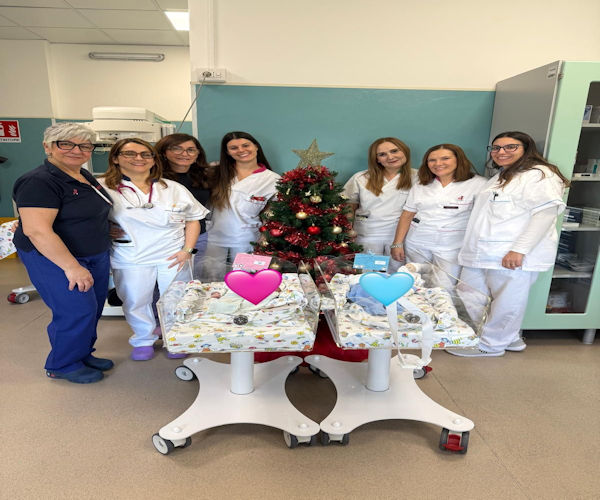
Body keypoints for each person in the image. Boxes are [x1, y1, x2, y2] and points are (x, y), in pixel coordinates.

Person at [448, 131, 569, 357]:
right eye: (496, 148)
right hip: (482, 250)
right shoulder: (501, 176)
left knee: (508, 300)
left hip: (510, 253)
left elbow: (544, 215)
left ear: (526, 149)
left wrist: (519, 250)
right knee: (468, 292)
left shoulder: (539, 175)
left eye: (510, 147)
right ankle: (508, 338)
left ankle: (491, 345)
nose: (501, 152)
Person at [12, 122, 113, 384]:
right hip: (55, 257)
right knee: (76, 310)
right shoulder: (38, 181)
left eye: (84, 145)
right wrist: (72, 267)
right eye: (66, 144)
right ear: (48, 147)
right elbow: (37, 231)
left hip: (93, 252)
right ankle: (63, 364)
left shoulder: (82, 175)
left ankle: (82, 353)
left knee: (93, 308)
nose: (76, 150)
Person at [98, 138, 209, 361]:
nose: (139, 158)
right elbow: (87, 217)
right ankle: (143, 340)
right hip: (131, 255)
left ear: (153, 159)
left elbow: (194, 219)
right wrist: (105, 228)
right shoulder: (103, 188)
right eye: (130, 153)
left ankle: (175, 339)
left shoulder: (172, 188)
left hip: (174, 254)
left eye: (145, 154)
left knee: (177, 299)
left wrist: (187, 250)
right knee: (135, 300)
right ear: (116, 158)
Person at [391, 144, 487, 281]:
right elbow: (407, 214)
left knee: (444, 285)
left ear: (458, 160)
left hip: (451, 246)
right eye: (432, 160)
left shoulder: (478, 184)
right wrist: (397, 243)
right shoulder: (422, 184)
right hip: (418, 243)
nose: (438, 164)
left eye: (445, 158)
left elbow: (483, 218)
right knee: (415, 283)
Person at [204, 131, 280, 276]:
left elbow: (275, 215)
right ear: (227, 152)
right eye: (234, 148)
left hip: (250, 239)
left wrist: (266, 238)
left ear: (256, 147)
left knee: (248, 279)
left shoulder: (273, 180)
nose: (241, 150)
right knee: (210, 279)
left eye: (246, 145)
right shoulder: (214, 171)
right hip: (213, 238)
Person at [344, 137, 416, 270]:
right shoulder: (361, 178)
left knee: (398, 275)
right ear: (377, 159)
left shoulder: (418, 177)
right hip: (367, 236)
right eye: (382, 154)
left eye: (394, 151)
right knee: (368, 275)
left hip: (400, 238)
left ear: (404, 151)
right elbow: (349, 206)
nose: (390, 157)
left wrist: (398, 242)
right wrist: (348, 231)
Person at [155, 133, 212, 275]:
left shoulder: (205, 177)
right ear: (164, 152)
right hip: (165, 239)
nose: (184, 154)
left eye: (191, 150)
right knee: (168, 279)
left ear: (197, 154)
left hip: (198, 237)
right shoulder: (154, 178)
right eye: (177, 148)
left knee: (192, 278)